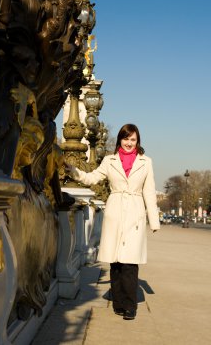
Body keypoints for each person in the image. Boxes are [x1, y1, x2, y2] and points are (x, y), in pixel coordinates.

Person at [65, 123, 160, 320]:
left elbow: (149, 192)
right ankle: (118, 302)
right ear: (120, 140)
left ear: (137, 141)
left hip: (135, 211)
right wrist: (73, 171)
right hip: (115, 209)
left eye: (133, 139)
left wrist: (154, 220)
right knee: (116, 263)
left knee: (130, 263)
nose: (129, 143)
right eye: (126, 139)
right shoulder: (109, 161)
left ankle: (130, 306)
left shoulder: (146, 161)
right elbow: (92, 178)